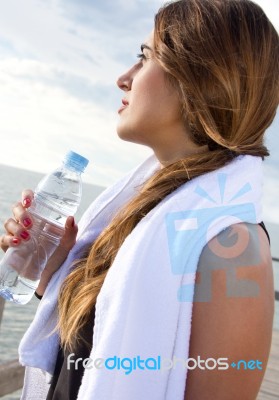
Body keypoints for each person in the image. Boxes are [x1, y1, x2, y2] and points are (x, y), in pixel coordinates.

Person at [1, 0, 278, 398]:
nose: (123, 78)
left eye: (144, 58)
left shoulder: (235, 249)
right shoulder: (141, 210)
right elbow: (93, 346)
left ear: (200, 79)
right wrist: (55, 269)